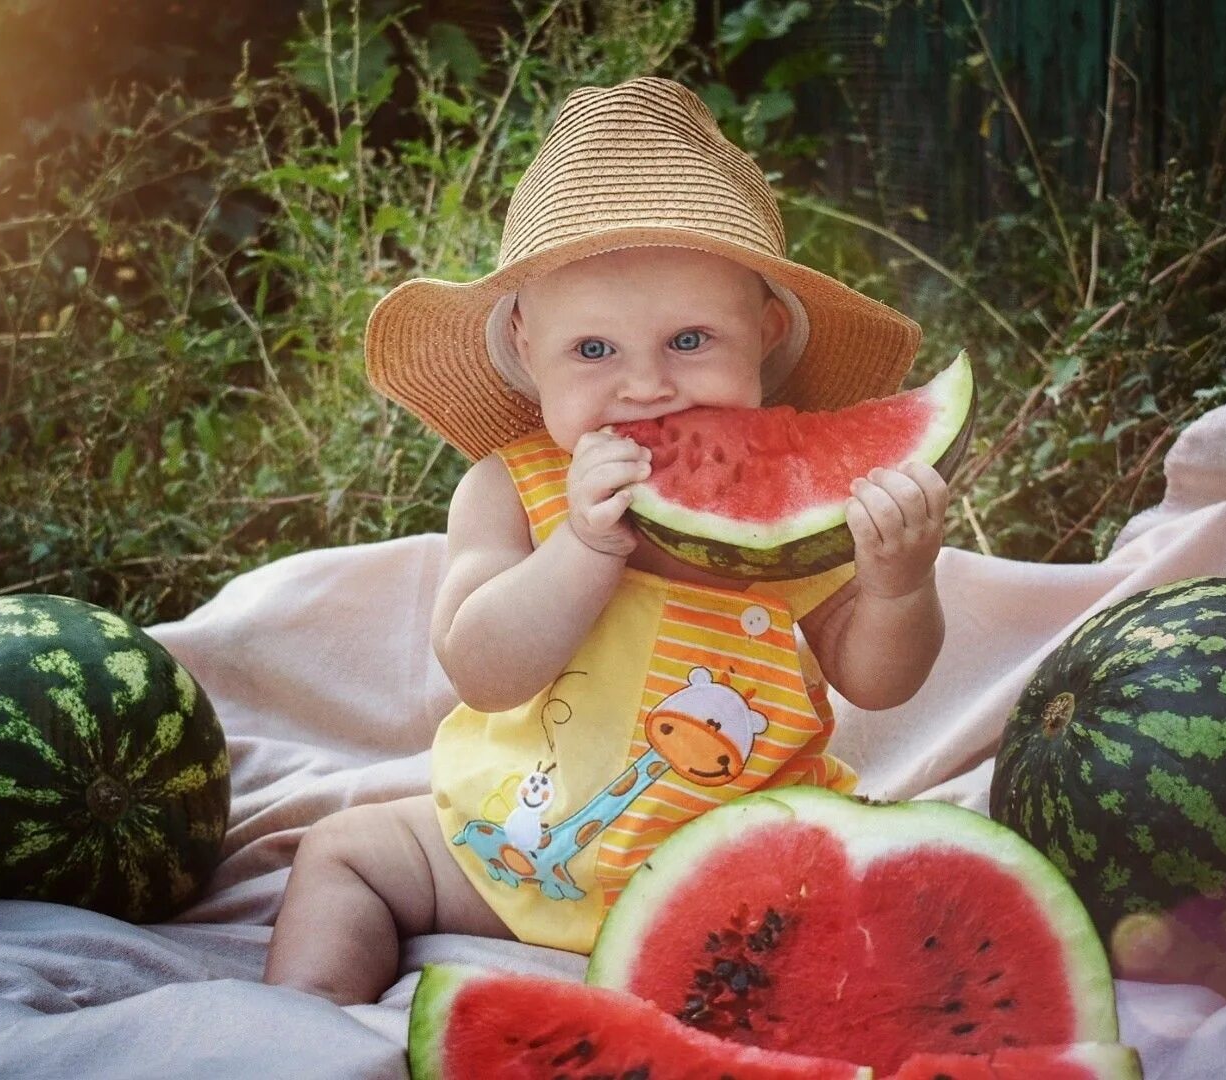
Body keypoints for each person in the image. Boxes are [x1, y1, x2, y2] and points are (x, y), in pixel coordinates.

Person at [263, 76, 948, 1006]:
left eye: (691, 339)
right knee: (346, 853)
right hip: (518, 843)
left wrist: (900, 586)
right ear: (522, 350)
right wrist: (582, 549)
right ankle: (298, 1032)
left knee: (888, 924)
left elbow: (877, 678)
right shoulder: (510, 487)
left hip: (741, 870)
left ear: (767, 334)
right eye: (593, 351)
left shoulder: (794, 513)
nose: (645, 387)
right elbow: (482, 667)